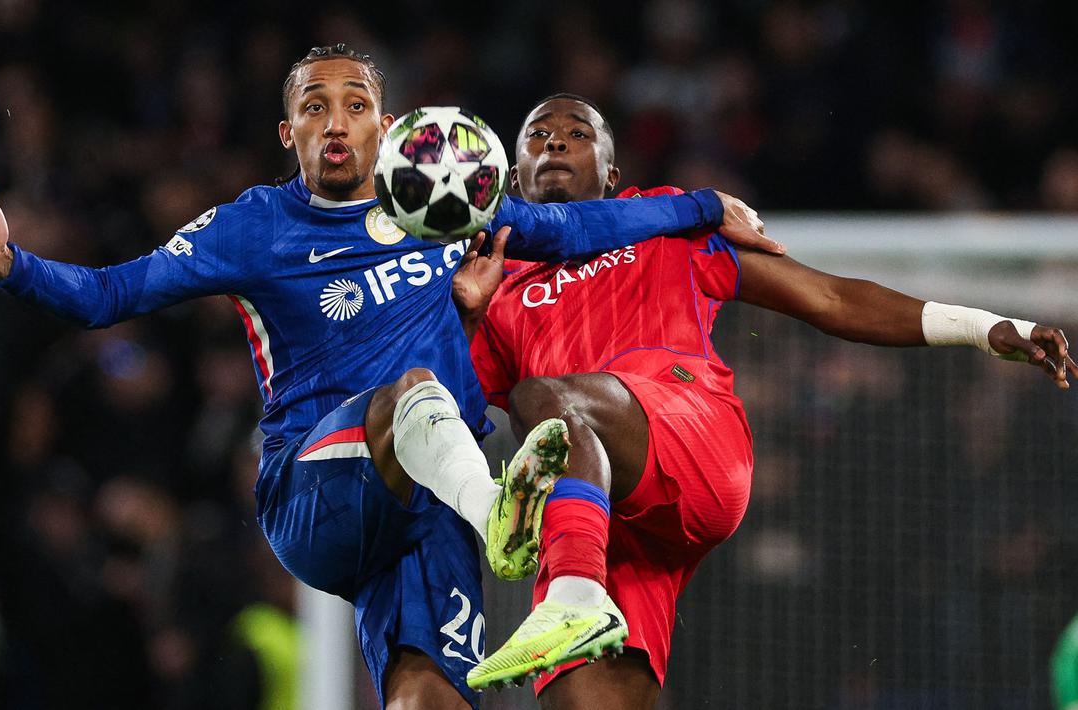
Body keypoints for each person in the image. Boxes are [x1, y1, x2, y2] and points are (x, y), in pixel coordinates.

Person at [0, 47, 781, 709]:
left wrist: (701, 207)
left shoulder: (442, 204)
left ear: (387, 126)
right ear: (287, 134)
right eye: (313, 106)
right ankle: (502, 515)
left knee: (431, 692)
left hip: (423, 509)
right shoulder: (252, 227)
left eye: (354, 105)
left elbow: (568, 227)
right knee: (411, 392)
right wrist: (11, 263)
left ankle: (491, 520)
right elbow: (109, 294)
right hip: (315, 485)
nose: (334, 122)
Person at [454, 93, 1075, 707]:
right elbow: (453, 418)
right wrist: (469, 319)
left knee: (546, 400)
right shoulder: (496, 287)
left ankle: (573, 595)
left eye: (577, 133)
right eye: (538, 134)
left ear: (612, 175)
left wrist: (982, 327)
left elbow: (829, 298)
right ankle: (576, 594)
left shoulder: (667, 230)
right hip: (601, 520)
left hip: (690, 434)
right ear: (513, 173)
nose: (556, 142)